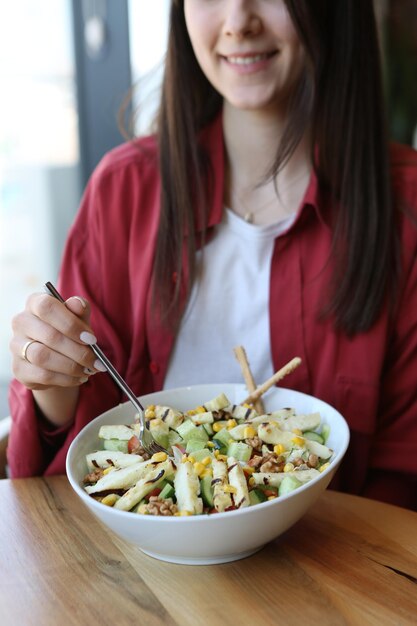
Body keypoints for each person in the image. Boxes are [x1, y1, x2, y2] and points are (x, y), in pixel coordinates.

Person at [8, 1, 417, 510]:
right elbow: (70, 457)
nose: (237, 21)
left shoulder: (406, 207)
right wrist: (50, 374)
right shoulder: (123, 191)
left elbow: (403, 483)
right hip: (135, 573)